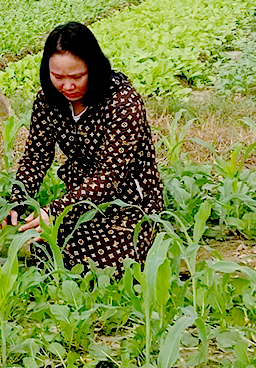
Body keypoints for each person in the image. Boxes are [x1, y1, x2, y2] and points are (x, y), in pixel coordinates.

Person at [8, 22, 164, 273]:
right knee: (48, 248)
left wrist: (57, 210)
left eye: (77, 77)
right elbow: (36, 155)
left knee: (109, 266)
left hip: (128, 199)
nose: (67, 86)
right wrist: (17, 201)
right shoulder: (48, 101)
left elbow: (110, 175)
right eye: (58, 77)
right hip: (79, 193)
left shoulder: (122, 103)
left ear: (94, 67)